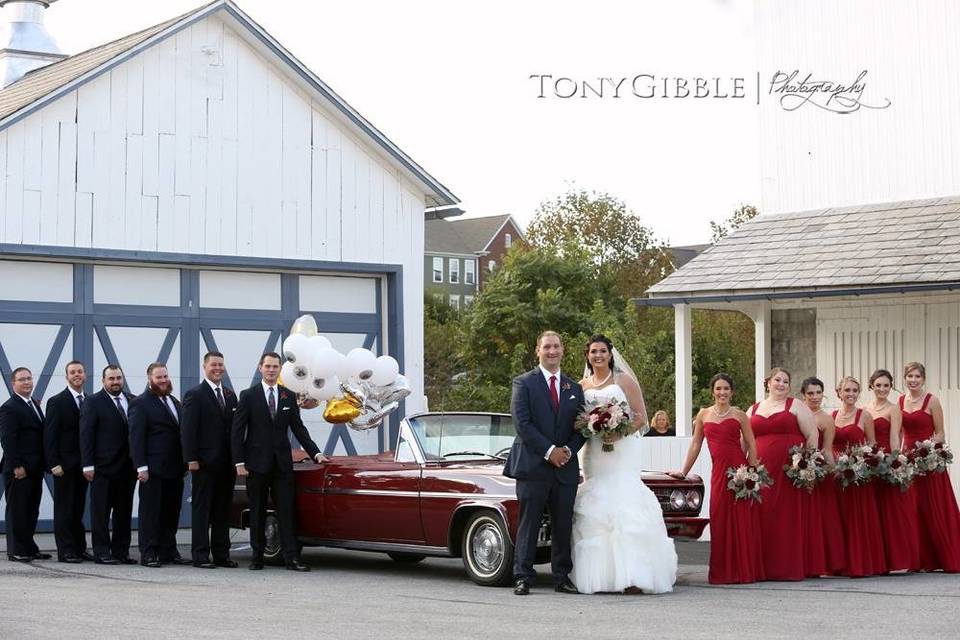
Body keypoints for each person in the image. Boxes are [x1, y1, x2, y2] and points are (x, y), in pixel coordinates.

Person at [571, 334, 676, 594]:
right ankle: (602, 577)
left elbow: (641, 417)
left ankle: (633, 575)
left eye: (603, 351)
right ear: (587, 355)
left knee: (624, 500)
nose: (598, 356)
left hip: (622, 449)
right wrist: (592, 427)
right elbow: (575, 420)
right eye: (593, 351)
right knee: (596, 501)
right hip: (595, 450)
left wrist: (618, 431)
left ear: (610, 354)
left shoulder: (623, 381)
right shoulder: (581, 385)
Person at [503, 331, 585, 596]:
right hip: (533, 466)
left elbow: (582, 428)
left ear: (563, 350)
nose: (552, 351)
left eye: (556, 346)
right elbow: (522, 424)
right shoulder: (523, 383)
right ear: (537, 350)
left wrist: (568, 453)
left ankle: (561, 577)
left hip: (565, 469)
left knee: (563, 524)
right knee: (529, 522)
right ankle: (523, 576)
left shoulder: (575, 388)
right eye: (547, 347)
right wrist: (549, 451)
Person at [232, 352, 327, 571]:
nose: (271, 370)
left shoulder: (288, 395)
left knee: (286, 510)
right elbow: (237, 432)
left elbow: (298, 428)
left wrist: (316, 453)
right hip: (256, 464)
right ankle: (257, 557)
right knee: (256, 510)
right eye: (268, 366)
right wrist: (239, 462)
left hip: (282, 464)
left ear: (280, 369)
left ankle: (291, 558)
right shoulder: (248, 395)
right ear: (260, 368)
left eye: (275, 366)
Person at [671, 373, 763, 584]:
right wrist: (683, 472)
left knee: (740, 519)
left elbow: (751, 442)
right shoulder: (703, 415)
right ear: (712, 391)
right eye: (718, 388)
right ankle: (723, 572)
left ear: (732, 392)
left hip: (739, 472)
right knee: (720, 517)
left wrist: (750, 471)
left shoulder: (740, 415)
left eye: (726, 389)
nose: (722, 392)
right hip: (719, 474)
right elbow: (696, 444)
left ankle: (743, 571)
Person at [747, 367, 818, 581]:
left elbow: (812, 434)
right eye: (777, 380)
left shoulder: (796, 405)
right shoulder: (753, 409)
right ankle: (763, 568)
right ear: (768, 382)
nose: (781, 384)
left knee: (786, 517)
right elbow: (745, 440)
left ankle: (787, 567)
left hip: (789, 471)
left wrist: (806, 464)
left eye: (785, 381)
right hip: (761, 471)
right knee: (762, 515)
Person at [899, 362, 960, 572]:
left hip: (929, 458)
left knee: (933, 505)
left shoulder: (931, 400)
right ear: (904, 379)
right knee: (912, 507)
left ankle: (942, 557)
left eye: (917, 376)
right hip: (909, 458)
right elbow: (898, 433)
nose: (913, 380)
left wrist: (931, 451)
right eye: (910, 376)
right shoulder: (899, 401)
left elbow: (940, 432)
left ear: (923, 379)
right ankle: (919, 559)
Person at [181, 351, 239, 568]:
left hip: (226, 464)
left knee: (222, 511)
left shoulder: (230, 395)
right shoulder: (194, 394)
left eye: (221, 365)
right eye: (214, 364)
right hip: (204, 464)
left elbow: (235, 430)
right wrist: (191, 459)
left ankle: (222, 554)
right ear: (204, 366)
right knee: (202, 510)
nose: (218, 368)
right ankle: (200, 555)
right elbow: (188, 430)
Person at [129, 363, 188, 567]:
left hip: (175, 468)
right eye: (158, 377)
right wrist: (141, 467)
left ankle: (168, 550)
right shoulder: (140, 403)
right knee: (151, 513)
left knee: (171, 511)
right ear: (149, 379)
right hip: (152, 469)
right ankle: (149, 552)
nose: (163, 380)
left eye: (165, 376)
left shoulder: (175, 402)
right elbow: (135, 438)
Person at [80, 364, 137, 565]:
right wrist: (87, 464)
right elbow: (86, 435)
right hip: (102, 469)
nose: (115, 382)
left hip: (127, 469)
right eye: (111, 379)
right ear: (103, 381)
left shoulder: (133, 400)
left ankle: (121, 551)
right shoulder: (93, 402)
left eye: (118, 378)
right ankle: (102, 552)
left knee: (123, 512)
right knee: (101, 513)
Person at [831, 376, 886, 577]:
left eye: (855, 390)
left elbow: (872, 445)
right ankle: (841, 563)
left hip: (859, 475)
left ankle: (861, 563)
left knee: (858, 518)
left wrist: (860, 462)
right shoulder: (833, 416)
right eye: (847, 390)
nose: (851, 394)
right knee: (840, 517)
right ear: (839, 393)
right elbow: (828, 445)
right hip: (838, 475)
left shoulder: (865, 416)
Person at [865, 369, 919, 572]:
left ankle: (897, 560)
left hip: (887, 460)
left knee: (892, 511)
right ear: (871, 386)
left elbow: (896, 436)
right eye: (878, 385)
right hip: (870, 462)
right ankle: (878, 559)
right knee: (874, 510)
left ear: (891, 387)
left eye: (886, 385)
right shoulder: (865, 409)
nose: (882, 389)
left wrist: (896, 461)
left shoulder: (894, 408)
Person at [44, 361, 92, 563]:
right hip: (63, 466)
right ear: (66, 377)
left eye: (80, 371)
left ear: (85, 375)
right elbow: (50, 436)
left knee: (78, 509)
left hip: (84, 466)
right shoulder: (57, 401)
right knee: (64, 509)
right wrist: (54, 463)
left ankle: (79, 548)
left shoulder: (90, 401)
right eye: (72, 372)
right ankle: (66, 551)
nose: (77, 375)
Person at [0, 367, 50, 562]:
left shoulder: (33, 405)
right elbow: (7, 439)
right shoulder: (9, 407)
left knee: (31, 510)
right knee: (17, 510)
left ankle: (29, 547)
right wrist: (16, 466)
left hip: (34, 468)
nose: (27, 382)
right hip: (19, 469)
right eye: (22, 379)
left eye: (29, 378)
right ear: (13, 384)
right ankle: (16, 550)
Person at [799, 377, 844, 577]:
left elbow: (827, 450)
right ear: (803, 395)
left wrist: (834, 472)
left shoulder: (826, 419)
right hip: (798, 471)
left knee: (821, 519)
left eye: (818, 393)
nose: (815, 397)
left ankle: (822, 563)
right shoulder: (796, 413)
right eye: (810, 393)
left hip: (819, 472)